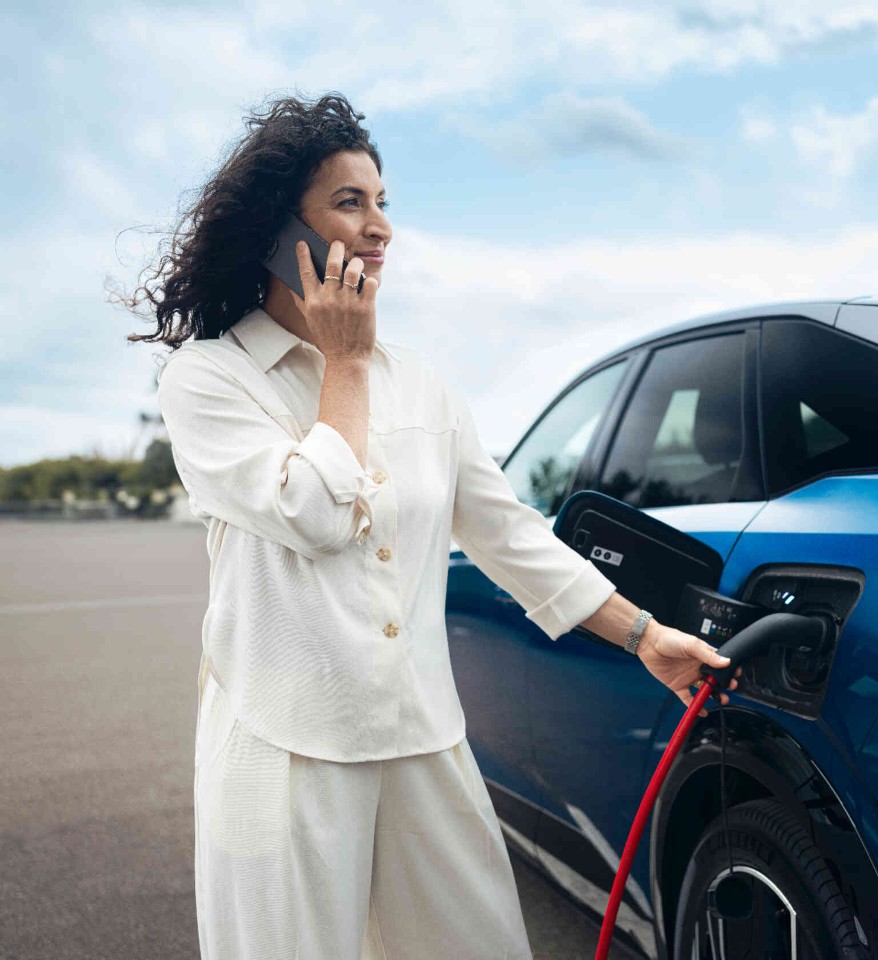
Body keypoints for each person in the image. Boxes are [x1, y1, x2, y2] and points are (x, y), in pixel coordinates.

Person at [120, 93, 739, 960]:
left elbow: (507, 532)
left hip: (423, 741)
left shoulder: (422, 384)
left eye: (383, 203)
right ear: (278, 231)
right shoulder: (209, 379)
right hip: (283, 750)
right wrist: (344, 363)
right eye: (349, 203)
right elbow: (315, 513)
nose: (380, 228)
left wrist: (643, 635)